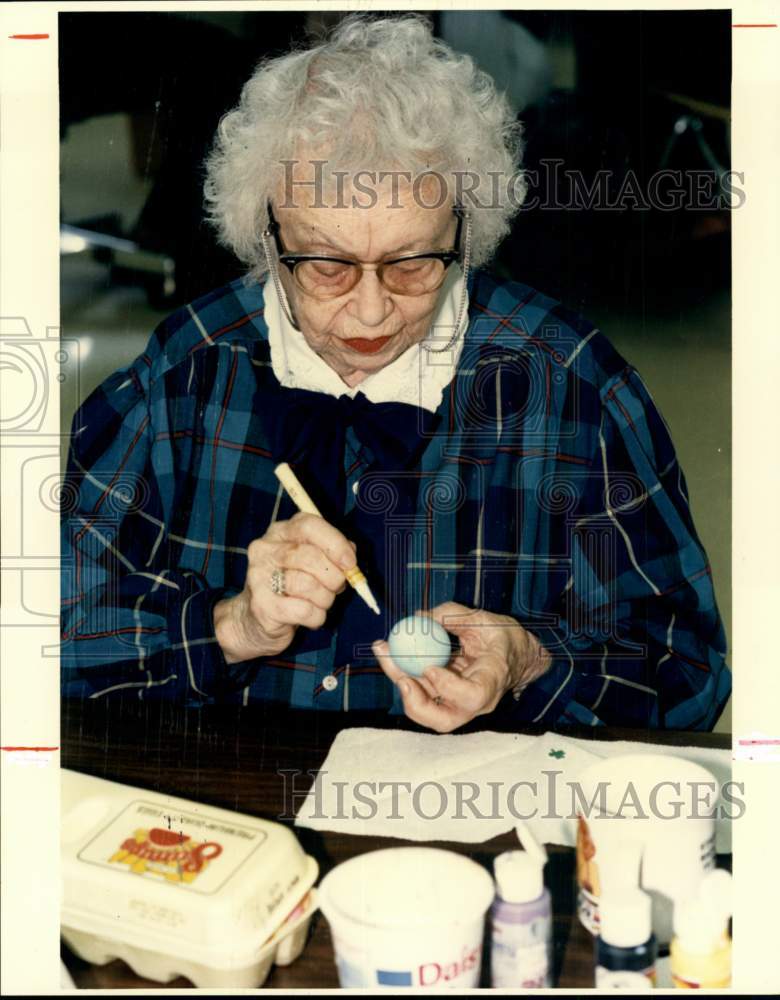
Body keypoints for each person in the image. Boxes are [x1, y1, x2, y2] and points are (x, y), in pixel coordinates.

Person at [61, 14, 731, 731]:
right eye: (327, 264)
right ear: (266, 236)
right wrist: (232, 625)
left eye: (413, 263)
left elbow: (688, 673)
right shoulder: (186, 370)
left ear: (465, 233)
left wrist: (531, 661)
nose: (373, 311)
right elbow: (45, 634)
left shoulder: (570, 382)